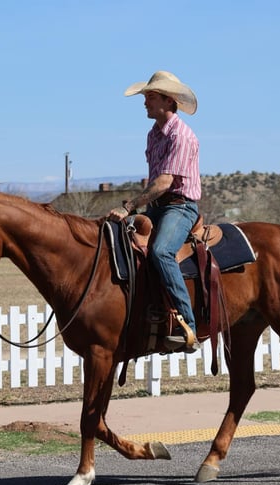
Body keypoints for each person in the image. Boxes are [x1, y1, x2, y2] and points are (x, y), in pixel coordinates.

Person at [107, 70, 201, 353]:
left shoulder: (181, 136)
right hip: (157, 207)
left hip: (180, 208)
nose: (145, 102)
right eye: (145, 96)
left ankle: (187, 326)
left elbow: (164, 182)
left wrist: (129, 206)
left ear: (168, 100)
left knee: (161, 252)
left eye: (150, 97)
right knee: (119, 240)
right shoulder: (153, 135)